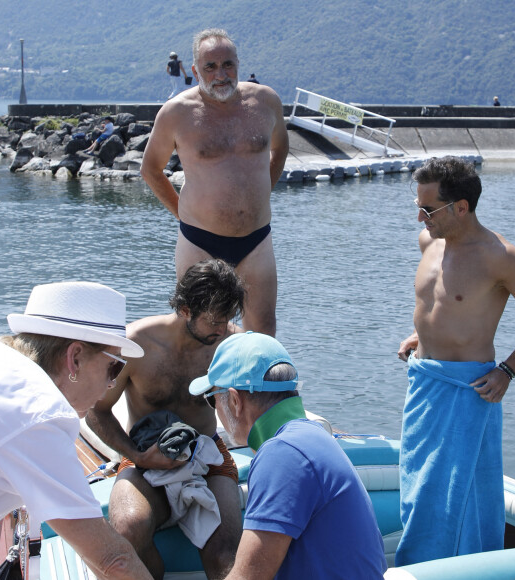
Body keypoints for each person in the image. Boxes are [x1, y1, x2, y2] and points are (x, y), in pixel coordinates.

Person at [396, 156, 515, 566]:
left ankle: (465, 569)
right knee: (417, 488)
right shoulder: (428, 242)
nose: (420, 216)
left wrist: (508, 370)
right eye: (416, 205)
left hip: (468, 390)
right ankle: (419, 568)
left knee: (462, 494)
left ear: (462, 207)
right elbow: (441, 303)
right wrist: (422, 334)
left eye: (428, 208)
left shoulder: (500, 257)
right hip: (424, 384)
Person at [86, 259, 245, 580]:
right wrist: (138, 456)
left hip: (209, 455)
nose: (223, 327)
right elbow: (96, 412)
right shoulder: (135, 345)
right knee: (129, 530)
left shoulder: (230, 343)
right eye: (215, 320)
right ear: (185, 310)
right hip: (144, 457)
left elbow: (252, 413)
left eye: (228, 318)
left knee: (226, 555)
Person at [0, 281, 153, 580]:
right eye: (114, 368)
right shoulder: (40, 412)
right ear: (74, 358)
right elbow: (114, 560)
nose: (112, 384)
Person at [189, 332, 388, 580]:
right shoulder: (310, 437)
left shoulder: (282, 455)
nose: (215, 410)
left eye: (212, 400)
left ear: (236, 401)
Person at [140, 28, 289, 337]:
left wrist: (263, 194)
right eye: (210, 67)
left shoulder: (266, 101)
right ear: (195, 71)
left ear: (238, 63)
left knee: (263, 335)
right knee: (202, 336)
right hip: (199, 242)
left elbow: (280, 148)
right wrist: (182, 215)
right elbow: (151, 169)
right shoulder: (176, 113)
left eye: (228, 64)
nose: (221, 74)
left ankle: (248, 388)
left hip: (256, 239)